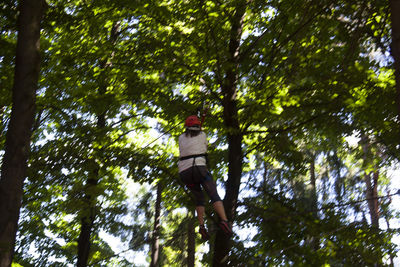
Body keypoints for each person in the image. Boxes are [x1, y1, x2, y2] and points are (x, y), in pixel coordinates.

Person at [178, 115, 233, 240]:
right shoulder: (202, 135)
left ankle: (202, 226)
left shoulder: (181, 137)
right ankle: (224, 220)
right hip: (199, 169)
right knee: (213, 195)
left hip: (185, 173)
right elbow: (204, 147)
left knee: (199, 199)